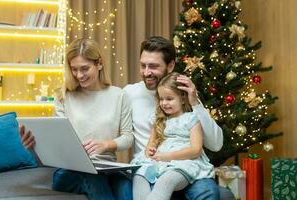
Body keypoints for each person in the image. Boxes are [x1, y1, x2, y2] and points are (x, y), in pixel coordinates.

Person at [21, 38, 134, 200]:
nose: (79, 75)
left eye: (84, 69)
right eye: (74, 69)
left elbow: (128, 137)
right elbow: (58, 143)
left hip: (107, 167)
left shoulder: (119, 95)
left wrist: (106, 145)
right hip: (69, 170)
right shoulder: (64, 97)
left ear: (99, 64)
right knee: (93, 177)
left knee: (125, 187)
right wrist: (33, 147)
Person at [124, 36, 235, 200]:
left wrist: (195, 102)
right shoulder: (129, 94)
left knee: (210, 192)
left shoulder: (185, 94)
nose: (146, 72)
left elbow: (216, 144)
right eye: (143, 65)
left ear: (170, 65)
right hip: (152, 165)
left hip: (185, 166)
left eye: (153, 66)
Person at [131, 72, 215, 200]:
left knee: (165, 181)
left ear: (182, 98)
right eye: (161, 99)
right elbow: (151, 145)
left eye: (169, 99)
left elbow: (195, 150)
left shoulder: (191, 119)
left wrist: (167, 156)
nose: (164, 103)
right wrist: (150, 150)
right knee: (139, 175)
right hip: (159, 160)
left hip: (183, 162)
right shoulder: (159, 119)